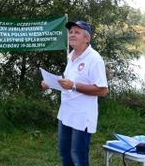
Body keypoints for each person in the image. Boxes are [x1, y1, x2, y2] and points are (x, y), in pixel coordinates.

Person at [41, 20, 108, 166]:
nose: (72, 35)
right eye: (70, 32)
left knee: (78, 157)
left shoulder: (94, 59)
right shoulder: (71, 56)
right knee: (64, 153)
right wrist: (51, 84)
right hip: (66, 113)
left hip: (82, 116)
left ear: (87, 38)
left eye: (76, 32)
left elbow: (102, 90)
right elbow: (69, 83)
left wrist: (74, 86)